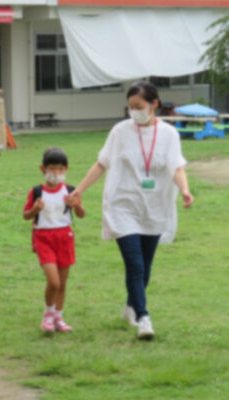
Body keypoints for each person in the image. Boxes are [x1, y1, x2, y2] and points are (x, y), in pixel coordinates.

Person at [67, 81, 194, 340]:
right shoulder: (120, 131)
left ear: (154, 105)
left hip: (154, 207)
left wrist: (184, 190)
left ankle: (130, 307)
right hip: (123, 205)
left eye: (139, 106)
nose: (134, 111)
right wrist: (80, 190)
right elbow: (102, 163)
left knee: (145, 266)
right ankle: (143, 317)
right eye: (130, 107)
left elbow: (176, 167)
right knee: (134, 263)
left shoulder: (170, 134)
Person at [23, 148, 85, 333]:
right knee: (54, 281)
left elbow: (81, 214)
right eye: (52, 169)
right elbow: (26, 215)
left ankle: (59, 317)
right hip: (44, 238)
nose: (56, 173)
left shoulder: (70, 191)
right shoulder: (37, 191)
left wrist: (75, 205)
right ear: (43, 169)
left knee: (63, 283)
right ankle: (48, 315)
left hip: (65, 238)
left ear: (66, 169)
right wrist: (35, 209)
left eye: (60, 169)